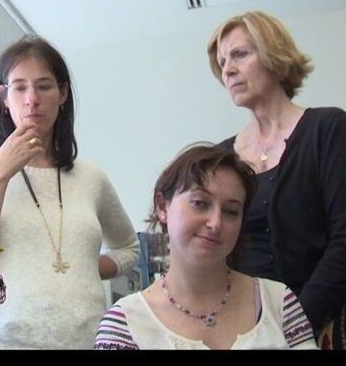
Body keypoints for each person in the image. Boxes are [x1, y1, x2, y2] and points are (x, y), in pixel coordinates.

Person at [0, 36, 139, 349]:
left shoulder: (91, 177)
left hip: (84, 341)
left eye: (44, 86)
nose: (32, 99)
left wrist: (86, 267)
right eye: (20, 87)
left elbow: (129, 247)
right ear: (4, 97)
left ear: (63, 94)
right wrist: (0, 173)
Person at [204, 10, 346, 349]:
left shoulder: (326, 127)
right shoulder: (222, 158)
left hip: (332, 321)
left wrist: (294, 326)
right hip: (256, 330)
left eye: (239, 54)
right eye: (222, 62)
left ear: (273, 55)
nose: (228, 69)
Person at [94, 144, 316, 350]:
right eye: (200, 203)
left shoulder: (279, 303)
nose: (216, 223)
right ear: (162, 207)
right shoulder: (125, 324)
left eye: (231, 211)